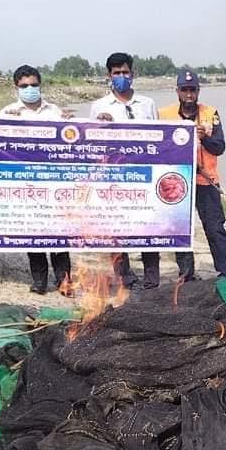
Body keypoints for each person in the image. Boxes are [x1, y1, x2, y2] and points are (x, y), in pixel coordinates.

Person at [89, 52, 191, 289]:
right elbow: (91, 143)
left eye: (125, 72)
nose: (121, 77)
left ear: (132, 74)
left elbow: (160, 139)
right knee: (115, 228)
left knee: (149, 225)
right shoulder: (99, 106)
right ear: (109, 76)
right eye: (116, 73)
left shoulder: (147, 104)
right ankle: (125, 277)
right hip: (113, 177)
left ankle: (151, 280)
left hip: (145, 176)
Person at [0, 65, 73, 296]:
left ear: (40, 85)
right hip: (26, 183)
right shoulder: (7, 113)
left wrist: (72, 124)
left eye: (33, 85)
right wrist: (4, 125)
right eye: (24, 86)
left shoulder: (54, 112)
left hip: (54, 182)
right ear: (16, 88)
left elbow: (71, 143)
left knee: (59, 233)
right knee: (33, 233)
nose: (29, 89)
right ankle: (39, 280)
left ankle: (65, 281)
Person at [159, 71, 226, 278]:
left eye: (193, 90)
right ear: (177, 91)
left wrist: (205, 138)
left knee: (214, 227)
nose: (189, 94)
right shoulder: (164, 114)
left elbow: (220, 147)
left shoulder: (211, 113)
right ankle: (186, 274)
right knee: (181, 229)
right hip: (177, 182)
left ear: (198, 91)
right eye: (185, 90)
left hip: (206, 181)